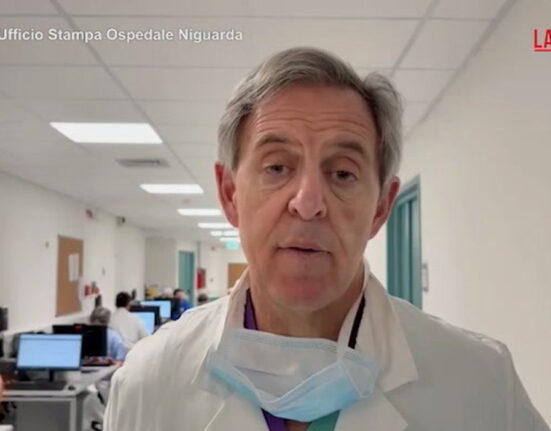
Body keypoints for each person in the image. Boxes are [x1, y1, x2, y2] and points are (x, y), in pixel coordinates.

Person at [104, 48, 549, 430]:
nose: (308, 202)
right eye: (277, 167)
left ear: (381, 206)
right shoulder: (149, 382)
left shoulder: (481, 383)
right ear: (230, 194)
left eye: (342, 173)